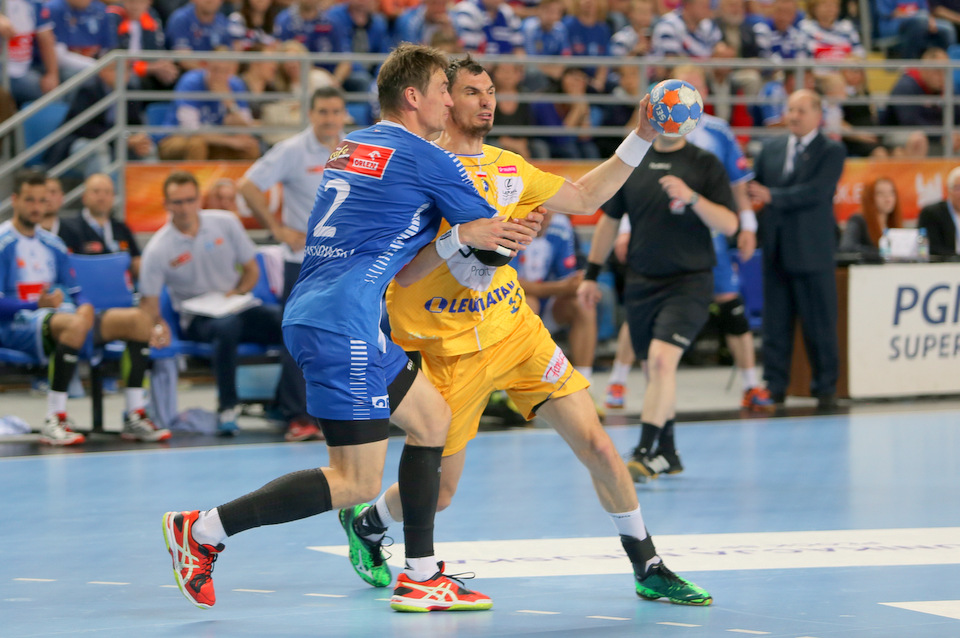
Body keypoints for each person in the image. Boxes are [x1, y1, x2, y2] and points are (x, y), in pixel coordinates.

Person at [159, 43, 539, 613]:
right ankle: (203, 529)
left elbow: (413, 245)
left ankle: (422, 573)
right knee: (356, 481)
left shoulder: (353, 144)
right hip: (342, 323)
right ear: (413, 97)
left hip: (330, 311)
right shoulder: (428, 158)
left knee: (431, 419)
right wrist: (516, 229)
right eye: (444, 91)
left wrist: (464, 236)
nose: (450, 103)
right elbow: (489, 244)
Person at [341, 55, 713, 608]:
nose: (487, 101)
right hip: (446, 349)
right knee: (440, 494)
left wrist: (640, 136)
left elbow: (584, 198)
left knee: (598, 444)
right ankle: (368, 522)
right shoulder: (420, 167)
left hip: (515, 332)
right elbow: (400, 267)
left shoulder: (508, 167)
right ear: (445, 99)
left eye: (491, 91)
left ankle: (648, 564)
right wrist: (473, 239)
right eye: (472, 91)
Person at [580, 106, 739, 482]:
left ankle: (643, 451)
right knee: (654, 370)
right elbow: (609, 222)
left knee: (662, 362)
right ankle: (668, 453)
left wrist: (693, 198)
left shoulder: (704, 163)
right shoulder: (632, 161)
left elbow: (730, 224)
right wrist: (591, 275)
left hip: (689, 282)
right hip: (641, 281)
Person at [0, 169, 171, 445]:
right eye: (29, 200)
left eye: (42, 201)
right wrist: (34, 304)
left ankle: (135, 415)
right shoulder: (3, 242)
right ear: (15, 200)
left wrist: (85, 306)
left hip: (63, 319)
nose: (36, 207)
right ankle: (55, 418)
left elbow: (77, 293)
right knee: (73, 323)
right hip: (16, 324)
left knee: (138, 320)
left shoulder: (53, 244)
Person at [139, 170, 310, 436]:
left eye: (190, 200)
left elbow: (251, 269)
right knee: (226, 327)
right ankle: (227, 406)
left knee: (293, 325)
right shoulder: (158, 248)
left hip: (237, 305)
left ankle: (283, 404)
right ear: (167, 205)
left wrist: (237, 292)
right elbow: (149, 303)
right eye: (177, 202)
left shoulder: (225, 223)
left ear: (199, 200)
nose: (184, 208)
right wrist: (159, 325)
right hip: (197, 318)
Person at [238, 86, 348, 442]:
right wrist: (277, 229)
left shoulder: (355, 149)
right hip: (303, 261)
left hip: (343, 261)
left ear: (344, 115)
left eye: (336, 112)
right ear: (311, 114)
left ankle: (328, 413)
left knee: (342, 338)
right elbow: (248, 186)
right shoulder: (293, 150)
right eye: (323, 112)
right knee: (301, 338)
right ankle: (297, 416)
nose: (330, 119)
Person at [747, 89, 846, 408]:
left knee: (820, 325)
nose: (794, 116)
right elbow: (755, 190)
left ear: (818, 114)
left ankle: (825, 388)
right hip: (775, 250)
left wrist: (772, 196)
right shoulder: (770, 148)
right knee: (775, 325)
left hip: (813, 252)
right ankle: (774, 386)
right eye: (790, 109)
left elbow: (816, 192)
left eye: (801, 110)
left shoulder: (831, 150)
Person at [512, 211, 599, 388]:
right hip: (513, 306)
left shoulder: (561, 226)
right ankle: (512, 386)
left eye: (548, 210)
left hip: (549, 304)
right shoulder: (512, 224)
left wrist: (581, 284)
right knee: (528, 303)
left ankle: (584, 383)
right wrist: (561, 287)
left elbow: (567, 278)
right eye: (537, 209)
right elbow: (510, 283)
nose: (544, 215)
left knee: (583, 303)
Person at [157, 52, 261, 161]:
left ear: (233, 70)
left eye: (225, 71)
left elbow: (246, 126)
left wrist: (230, 104)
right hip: (176, 138)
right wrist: (229, 141)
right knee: (196, 144)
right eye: (215, 70)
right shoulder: (191, 82)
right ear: (206, 67)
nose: (219, 76)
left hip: (215, 140)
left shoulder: (236, 85)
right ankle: (192, 173)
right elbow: (191, 130)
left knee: (250, 147)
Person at [59, 174, 144, 281]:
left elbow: (136, 260)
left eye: (107, 192)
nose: (102, 197)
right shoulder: (69, 228)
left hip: (118, 286)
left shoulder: (121, 228)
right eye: (96, 191)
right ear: (84, 197)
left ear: (113, 197)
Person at [164, 0, 233, 71]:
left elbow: (229, 56)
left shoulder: (223, 21)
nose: (210, 1)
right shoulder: (181, 19)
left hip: (216, 73)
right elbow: (184, 59)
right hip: (186, 72)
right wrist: (212, 72)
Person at [839, 177, 903, 253]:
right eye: (880, 193)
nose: (887, 198)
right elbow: (847, 247)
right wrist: (880, 252)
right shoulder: (858, 220)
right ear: (869, 197)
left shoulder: (894, 222)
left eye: (891, 193)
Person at [917, 165, 960, 257]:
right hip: (945, 264)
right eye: (958, 188)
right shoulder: (932, 213)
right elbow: (933, 249)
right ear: (949, 190)